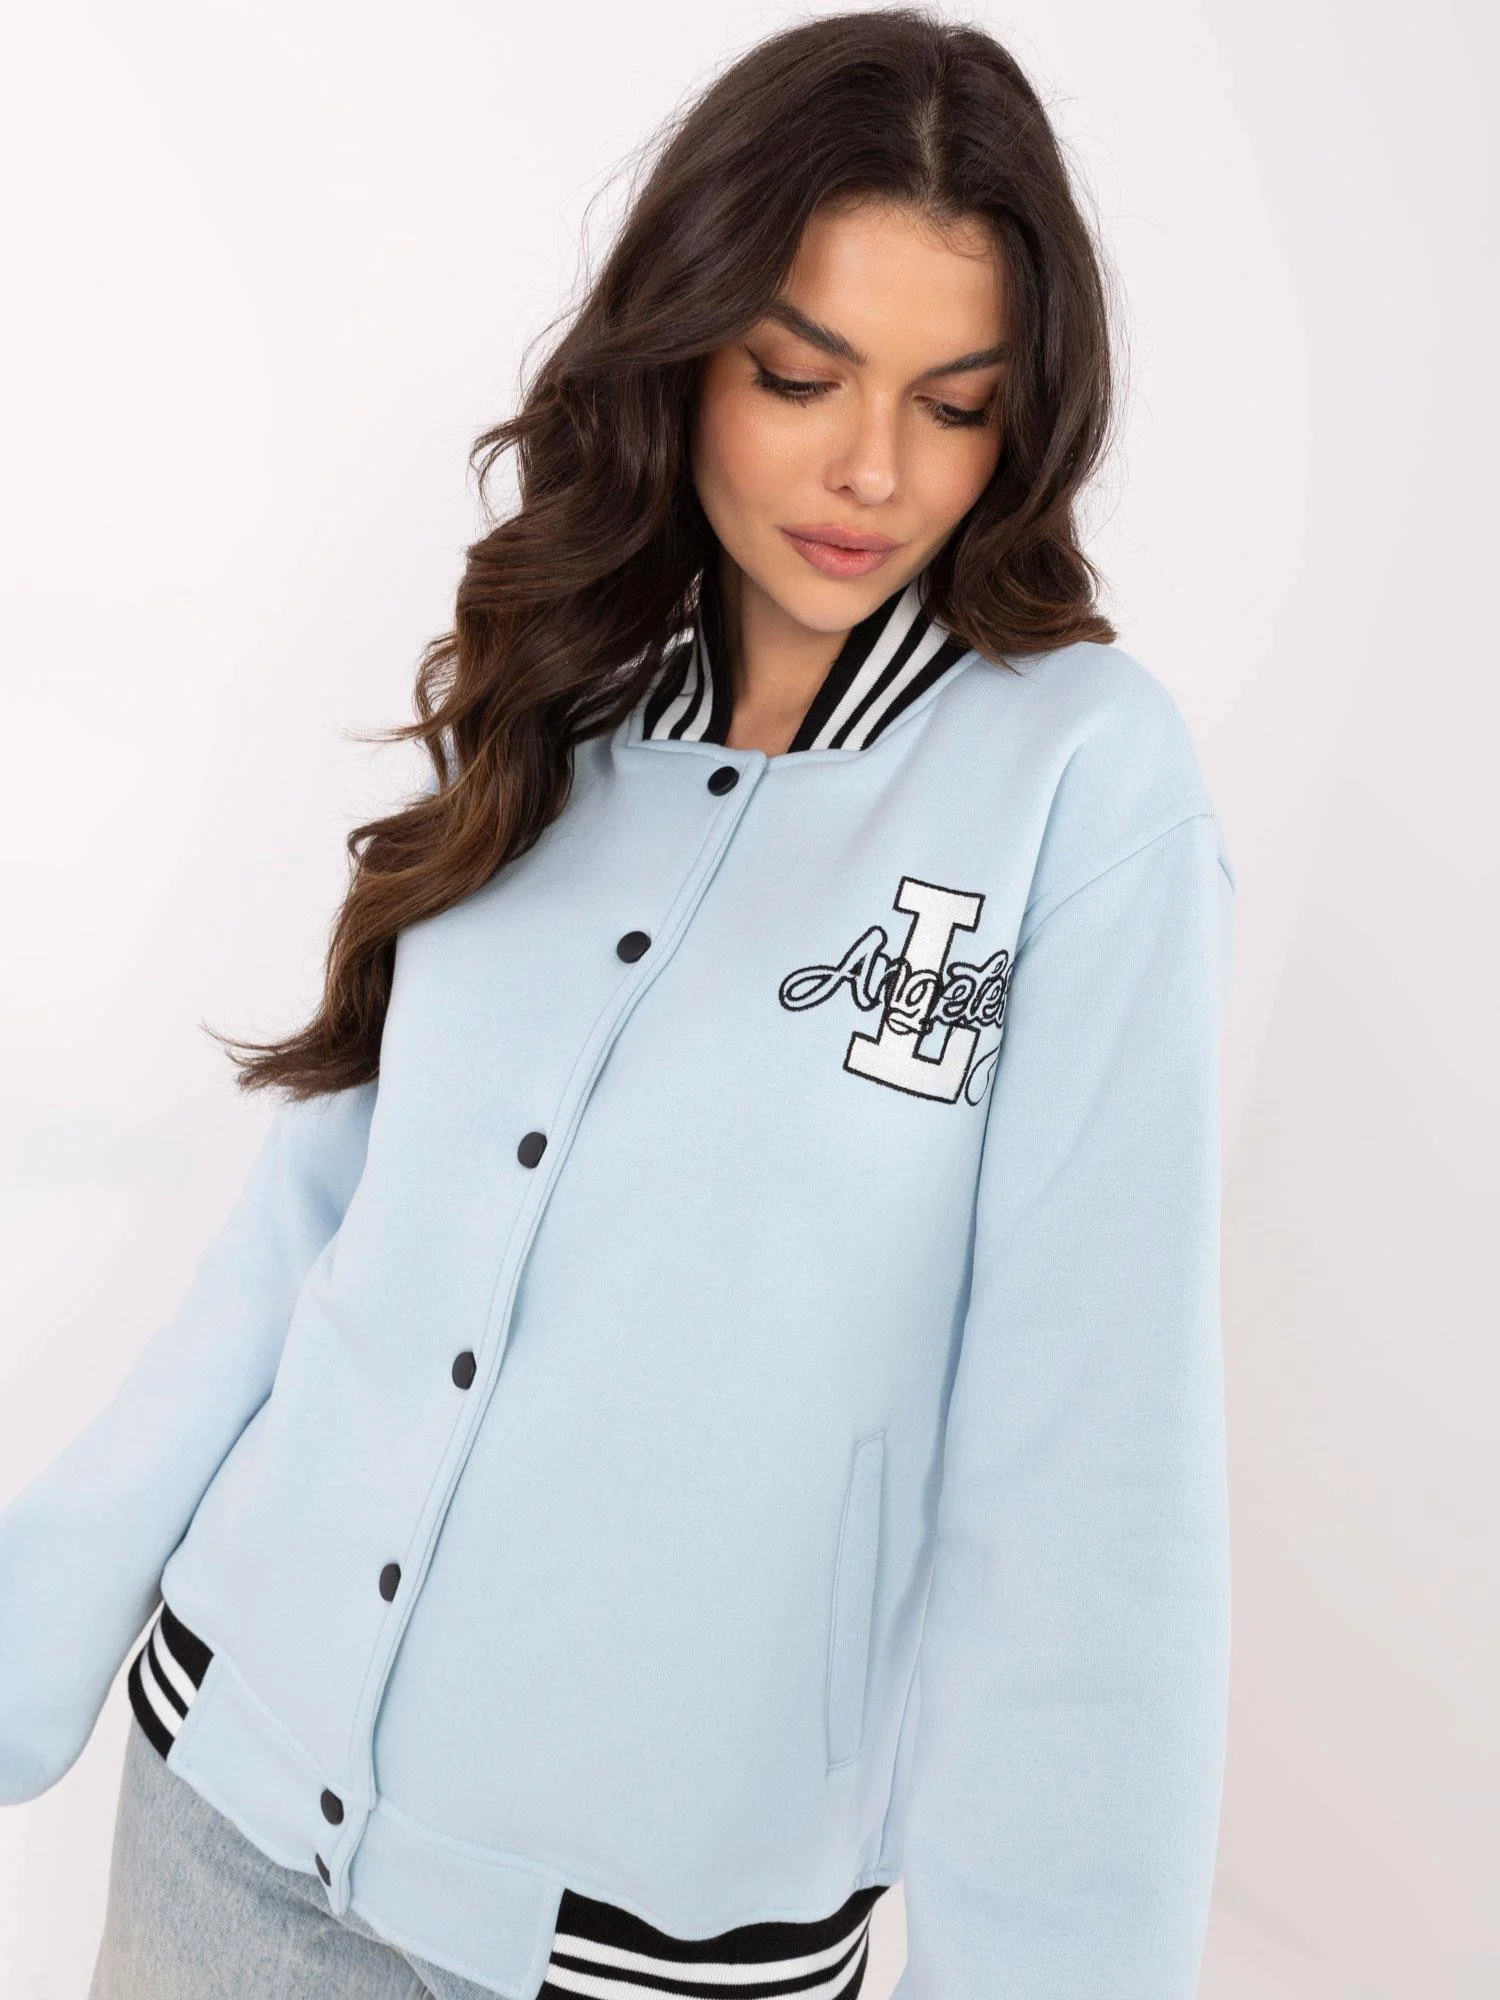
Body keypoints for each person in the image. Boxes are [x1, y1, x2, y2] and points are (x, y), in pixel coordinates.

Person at [0, 11, 1235, 1999]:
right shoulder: (564, 682)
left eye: (953, 405)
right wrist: (33, 1626)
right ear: (687, 345)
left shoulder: (1079, 786)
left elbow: (1094, 1476)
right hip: (220, 1806)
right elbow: (314, 1234)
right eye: (798, 376)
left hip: (637, 1953)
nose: (870, 469)